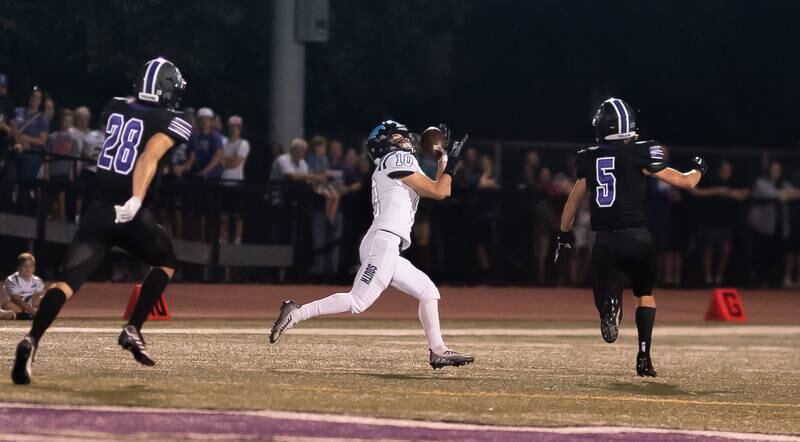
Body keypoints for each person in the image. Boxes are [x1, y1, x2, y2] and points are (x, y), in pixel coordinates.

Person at [10, 57, 193, 385]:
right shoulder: (174, 119)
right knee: (165, 261)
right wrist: (137, 199)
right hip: (129, 209)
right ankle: (132, 329)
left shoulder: (115, 106)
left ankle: (32, 340)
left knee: (66, 283)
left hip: (97, 208)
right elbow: (148, 157)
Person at [269, 120, 474, 369]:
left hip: (385, 241)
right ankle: (297, 312)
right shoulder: (398, 158)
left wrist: (444, 161)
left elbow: (441, 189)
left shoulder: (394, 162)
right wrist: (448, 163)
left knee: (427, 291)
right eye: (399, 137)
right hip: (384, 241)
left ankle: (438, 350)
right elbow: (440, 191)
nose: (406, 139)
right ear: (387, 142)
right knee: (358, 301)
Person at [556, 98, 706, 377]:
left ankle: (609, 304)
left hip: (605, 240)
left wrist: (563, 234)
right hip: (639, 238)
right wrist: (699, 168)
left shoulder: (590, 157)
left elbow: (573, 201)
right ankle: (644, 356)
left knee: (605, 293)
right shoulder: (642, 153)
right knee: (645, 295)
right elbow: (686, 182)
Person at [690, 160, 749, 286]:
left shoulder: (734, 182)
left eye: (729, 169)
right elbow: (696, 192)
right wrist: (718, 190)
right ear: (720, 170)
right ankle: (708, 278)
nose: (727, 171)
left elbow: (743, 194)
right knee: (709, 250)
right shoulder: (711, 180)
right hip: (711, 222)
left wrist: (728, 192)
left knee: (726, 250)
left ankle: (719, 277)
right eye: (725, 169)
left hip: (727, 224)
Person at [10, 86, 49, 215]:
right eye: (33, 96)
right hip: (15, 150)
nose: (34, 100)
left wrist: (27, 138)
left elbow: (42, 140)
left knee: (25, 185)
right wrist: (20, 139)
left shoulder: (42, 117)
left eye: (38, 98)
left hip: (32, 154)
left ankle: (23, 216)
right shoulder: (18, 111)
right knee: (10, 180)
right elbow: (12, 126)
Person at [219, 115, 250, 244]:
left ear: (240, 129)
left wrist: (225, 158)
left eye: (236, 127)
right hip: (222, 181)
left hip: (237, 182)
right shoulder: (223, 142)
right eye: (231, 127)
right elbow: (219, 159)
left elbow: (236, 162)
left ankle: (237, 239)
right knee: (223, 213)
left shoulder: (243, 144)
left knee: (237, 213)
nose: (234, 129)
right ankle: (223, 238)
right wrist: (228, 158)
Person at [44, 109, 80, 221]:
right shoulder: (52, 137)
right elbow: (47, 157)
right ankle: (51, 218)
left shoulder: (74, 141)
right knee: (50, 199)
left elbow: (72, 160)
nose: (66, 123)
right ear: (60, 121)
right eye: (64, 121)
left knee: (62, 197)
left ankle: (62, 221)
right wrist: (46, 173)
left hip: (64, 174)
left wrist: (71, 176)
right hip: (53, 172)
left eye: (69, 121)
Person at [1, 253, 45, 320]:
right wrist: (32, 311)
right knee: (7, 305)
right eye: (24, 266)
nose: (28, 268)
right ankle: (28, 315)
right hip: (17, 306)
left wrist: (33, 307)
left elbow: (37, 297)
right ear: (18, 267)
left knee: (47, 298)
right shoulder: (11, 280)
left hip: (30, 306)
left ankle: (23, 315)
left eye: (31, 265)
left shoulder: (37, 280)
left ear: (34, 268)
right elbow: (16, 299)